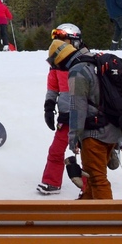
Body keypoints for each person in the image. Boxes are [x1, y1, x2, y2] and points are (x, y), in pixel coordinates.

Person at [58, 23, 122, 199]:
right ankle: (86, 215)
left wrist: (73, 139)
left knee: (97, 179)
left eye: (63, 43)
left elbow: (77, 107)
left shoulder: (78, 70)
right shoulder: (95, 61)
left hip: (95, 133)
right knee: (91, 177)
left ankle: (107, 222)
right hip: (111, 128)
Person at [36, 26, 79, 195]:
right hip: (66, 115)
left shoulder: (84, 61)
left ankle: (95, 182)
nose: (58, 44)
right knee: (56, 149)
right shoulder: (56, 62)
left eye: (62, 39)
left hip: (86, 115)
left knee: (91, 150)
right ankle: (51, 182)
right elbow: (53, 86)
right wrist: (49, 105)